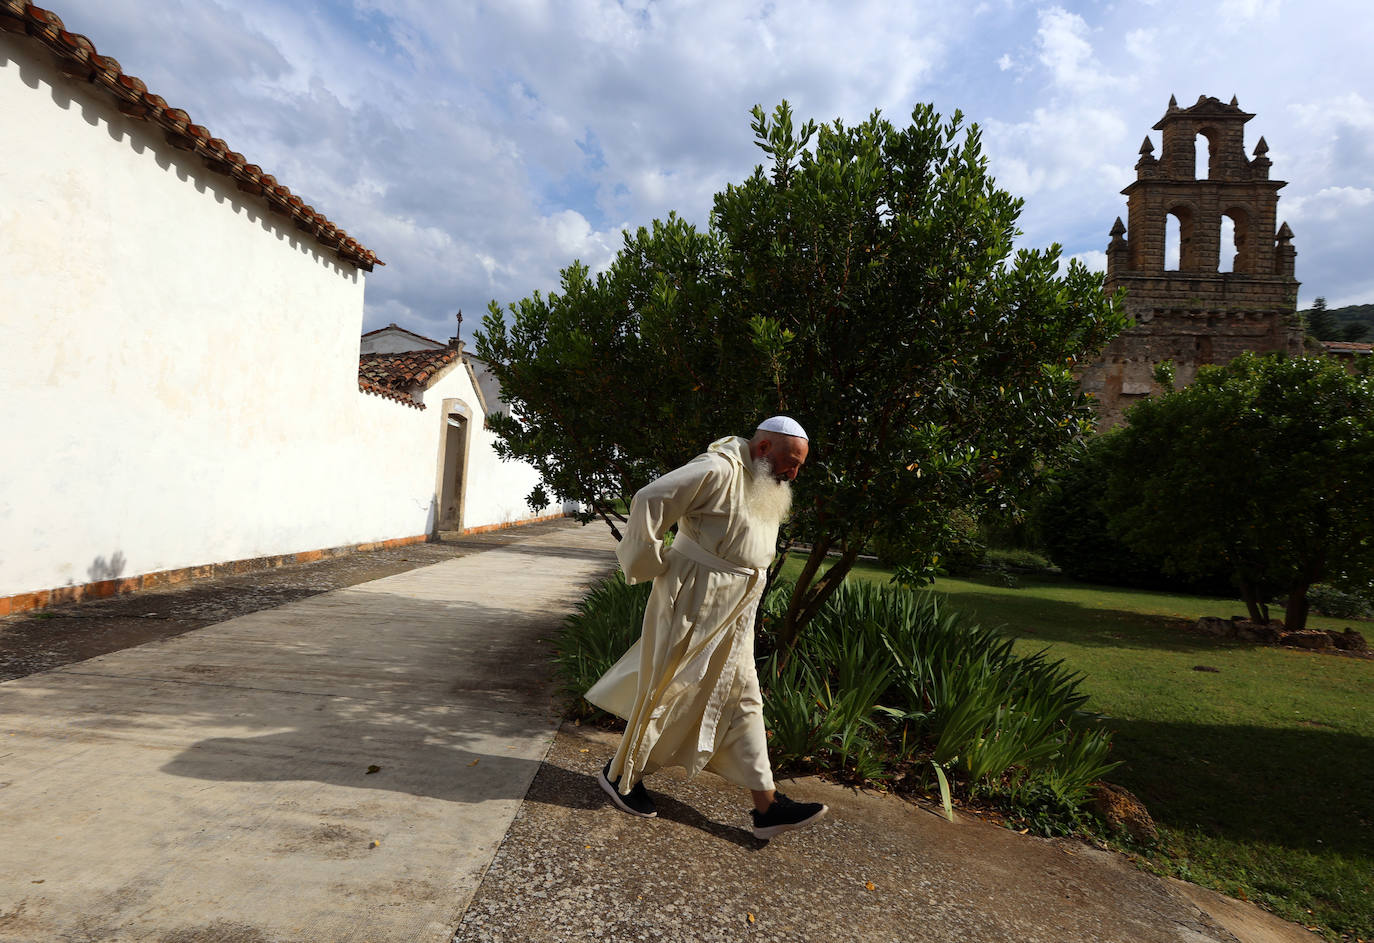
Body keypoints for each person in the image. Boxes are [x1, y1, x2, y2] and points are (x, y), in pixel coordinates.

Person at [585, 416, 829, 840]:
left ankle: (767, 807)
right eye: (790, 462)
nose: (793, 473)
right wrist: (650, 562)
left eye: (800, 466)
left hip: (737, 609)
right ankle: (619, 775)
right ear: (764, 448)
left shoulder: (763, 483)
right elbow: (649, 499)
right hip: (694, 601)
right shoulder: (717, 468)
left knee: (743, 697)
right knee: (671, 689)